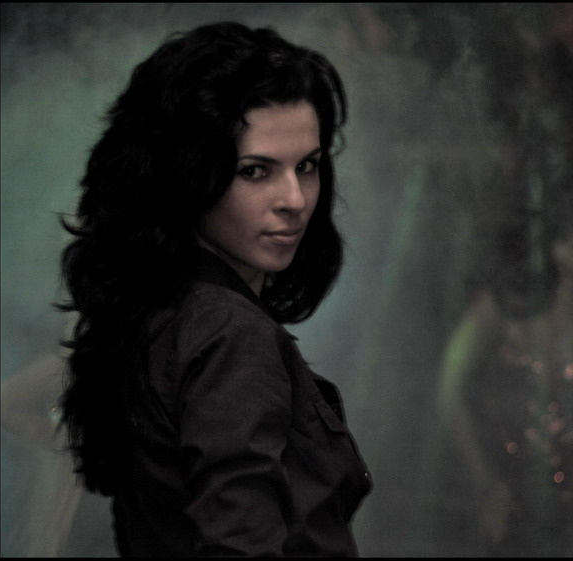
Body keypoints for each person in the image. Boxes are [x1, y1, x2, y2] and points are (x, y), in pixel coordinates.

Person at [57, 21, 371, 557]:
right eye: (255, 171)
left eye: (307, 166)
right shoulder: (226, 331)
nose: (295, 199)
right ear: (187, 176)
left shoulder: (163, 311)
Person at [435, 179, 573, 557]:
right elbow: (448, 390)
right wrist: (485, 483)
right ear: (557, 247)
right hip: (514, 505)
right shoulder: (499, 310)